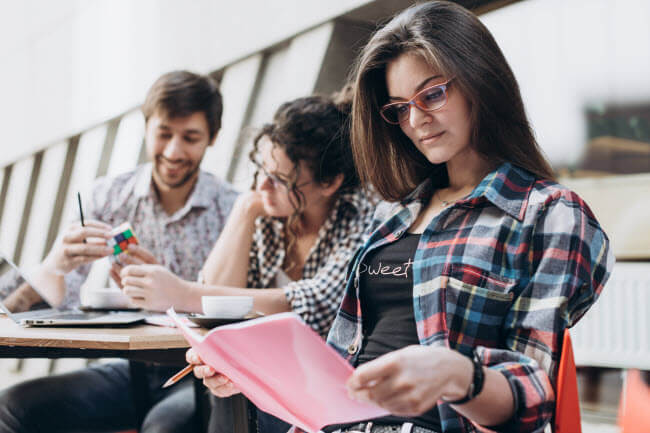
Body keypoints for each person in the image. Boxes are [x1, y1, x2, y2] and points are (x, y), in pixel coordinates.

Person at [188, 2, 614, 433]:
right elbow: (338, 368)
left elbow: (534, 396)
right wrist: (250, 372)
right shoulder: (393, 214)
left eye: (431, 94)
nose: (416, 121)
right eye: (398, 109)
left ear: (479, 82)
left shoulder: (549, 214)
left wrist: (456, 373)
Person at [121, 95, 377, 432]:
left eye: (280, 179)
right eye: (259, 170)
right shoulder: (268, 213)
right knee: (167, 423)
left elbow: (312, 306)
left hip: (325, 386)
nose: (261, 185)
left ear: (330, 183)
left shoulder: (362, 216)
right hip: (252, 373)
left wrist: (180, 292)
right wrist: (243, 213)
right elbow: (212, 310)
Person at [0, 70, 238, 433]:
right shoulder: (108, 196)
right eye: (163, 134)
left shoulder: (231, 208)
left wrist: (175, 292)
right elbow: (31, 312)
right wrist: (56, 264)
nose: (174, 151)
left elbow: (241, 311)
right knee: (11, 407)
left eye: (190, 138)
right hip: (130, 368)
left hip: (204, 372)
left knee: (163, 427)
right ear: (146, 129)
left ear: (213, 138)